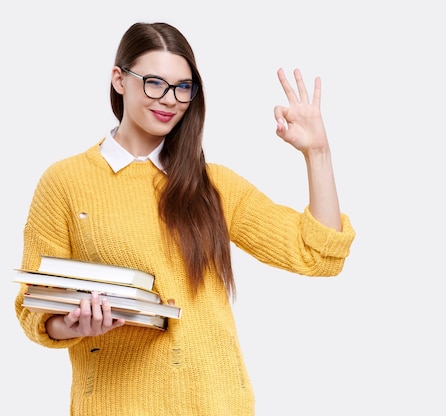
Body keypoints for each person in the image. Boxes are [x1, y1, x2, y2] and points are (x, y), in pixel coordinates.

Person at [14, 22, 355, 415]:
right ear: (119, 80)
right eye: (154, 82)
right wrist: (74, 324)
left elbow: (319, 255)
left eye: (183, 87)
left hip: (217, 404)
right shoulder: (64, 181)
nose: (170, 99)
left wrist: (318, 153)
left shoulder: (213, 185)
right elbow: (33, 308)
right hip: (115, 405)